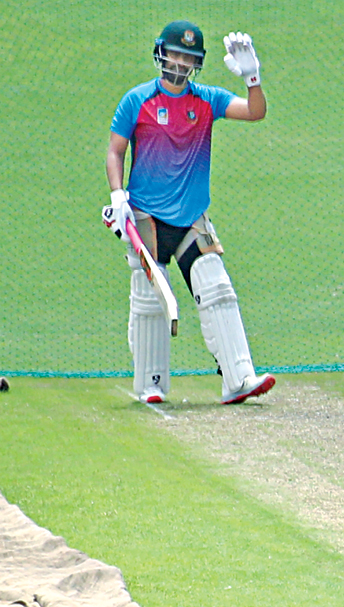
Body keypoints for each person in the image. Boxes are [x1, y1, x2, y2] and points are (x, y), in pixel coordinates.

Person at [105, 21, 275, 405]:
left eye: (189, 58)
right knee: (150, 300)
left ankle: (238, 378)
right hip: (147, 216)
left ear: (197, 63)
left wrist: (252, 79)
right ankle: (151, 385)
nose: (180, 63)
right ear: (161, 54)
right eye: (175, 55)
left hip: (192, 217)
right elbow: (115, 150)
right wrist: (117, 196)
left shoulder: (207, 100)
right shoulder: (137, 100)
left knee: (217, 289)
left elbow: (255, 112)